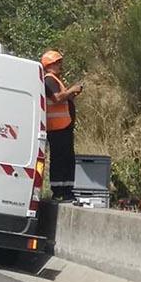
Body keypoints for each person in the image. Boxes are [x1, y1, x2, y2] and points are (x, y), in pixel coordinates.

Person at [41, 50, 83, 202]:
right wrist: (71, 90)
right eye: (57, 63)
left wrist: (71, 94)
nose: (60, 65)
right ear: (49, 65)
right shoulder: (49, 80)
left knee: (67, 159)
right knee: (60, 159)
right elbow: (57, 98)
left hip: (63, 126)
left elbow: (61, 99)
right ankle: (59, 191)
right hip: (57, 127)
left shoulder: (55, 80)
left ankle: (67, 190)